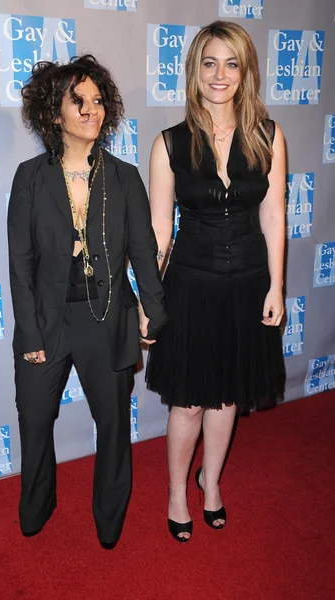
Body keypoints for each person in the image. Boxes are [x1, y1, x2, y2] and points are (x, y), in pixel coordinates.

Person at [7, 55, 166, 549]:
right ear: (53, 114)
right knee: (34, 421)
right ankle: (37, 504)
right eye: (78, 101)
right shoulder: (30, 177)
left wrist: (153, 309)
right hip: (47, 322)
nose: (90, 110)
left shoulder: (123, 177)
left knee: (114, 425)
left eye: (98, 101)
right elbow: (20, 262)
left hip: (106, 318)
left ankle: (110, 517)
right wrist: (30, 334)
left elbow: (143, 250)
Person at [145, 21, 286, 542]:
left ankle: (212, 483)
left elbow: (274, 215)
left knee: (226, 397)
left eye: (231, 63)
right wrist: (149, 299)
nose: (219, 74)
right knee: (189, 400)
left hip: (248, 282)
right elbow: (161, 230)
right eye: (209, 63)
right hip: (191, 286)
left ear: (245, 72)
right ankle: (177, 490)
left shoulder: (269, 135)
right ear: (195, 72)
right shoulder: (170, 145)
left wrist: (276, 286)